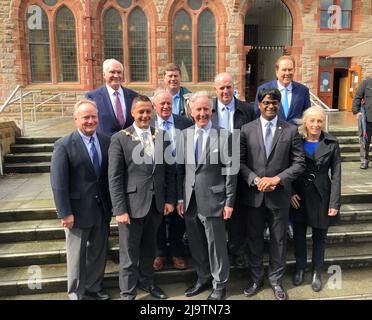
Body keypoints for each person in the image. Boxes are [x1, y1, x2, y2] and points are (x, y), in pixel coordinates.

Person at [108, 95, 176, 300]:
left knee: (149, 250)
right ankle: (128, 292)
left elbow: (169, 171)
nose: (145, 116)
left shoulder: (161, 135)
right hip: (131, 206)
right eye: (141, 112)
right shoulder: (120, 138)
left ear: (153, 112)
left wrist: (170, 200)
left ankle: (147, 283)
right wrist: (119, 210)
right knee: (129, 254)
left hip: (156, 205)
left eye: (148, 111)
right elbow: (115, 177)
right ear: (133, 113)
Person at [240, 88, 305, 300]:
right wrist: (257, 180)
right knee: (254, 240)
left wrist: (276, 179)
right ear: (259, 104)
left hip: (279, 196)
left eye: (274, 103)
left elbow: (299, 164)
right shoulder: (246, 129)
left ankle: (276, 281)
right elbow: (239, 164)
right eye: (266, 102)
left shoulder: (290, 130)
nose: (270, 106)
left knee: (279, 241)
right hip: (254, 196)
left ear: (279, 105)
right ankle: (256, 278)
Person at [176, 91, 237, 300]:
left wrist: (229, 201)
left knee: (216, 246)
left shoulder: (225, 136)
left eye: (206, 109)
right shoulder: (184, 135)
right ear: (191, 112)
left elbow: (231, 171)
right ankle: (202, 278)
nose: (202, 113)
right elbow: (181, 170)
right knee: (196, 244)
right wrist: (180, 199)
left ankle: (220, 285)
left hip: (215, 200)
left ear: (211, 110)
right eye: (198, 109)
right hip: (190, 201)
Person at [50, 99, 112, 300]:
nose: (90, 121)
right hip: (76, 212)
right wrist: (64, 212)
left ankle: (94, 287)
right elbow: (58, 183)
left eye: (94, 117)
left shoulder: (106, 141)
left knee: (98, 252)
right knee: (76, 256)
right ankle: (76, 292)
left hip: (101, 209)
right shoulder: (64, 145)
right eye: (86, 117)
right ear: (76, 119)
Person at [290, 106, 341, 292]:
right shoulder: (296, 140)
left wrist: (334, 203)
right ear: (305, 122)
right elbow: (286, 167)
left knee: (320, 237)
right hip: (299, 195)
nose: (316, 124)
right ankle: (300, 268)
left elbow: (336, 175)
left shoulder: (331, 143)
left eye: (319, 121)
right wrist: (289, 192)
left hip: (322, 195)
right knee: (299, 236)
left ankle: (316, 271)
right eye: (312, 120)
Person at [212, 72, 256, 268]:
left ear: (234, 87)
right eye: (221, 88)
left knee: (238, 213)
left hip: (240, 168)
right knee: (217, 212)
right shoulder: (208, 110)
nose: (225, 91)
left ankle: (238, 250)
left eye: (228, 87)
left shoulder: (246, 110)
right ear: (216, 90)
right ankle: (218, 253)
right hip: (213, 170)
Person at [151, 88, 193, 271]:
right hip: (157, 177)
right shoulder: (147, 122)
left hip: (180, 175)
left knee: (179, 215)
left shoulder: (184, 122)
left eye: (169, 103)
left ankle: (176, 253)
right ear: (154, 106)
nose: (166, 106)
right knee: (158, 215)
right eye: (162, 103)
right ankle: (159, 253)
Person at [85, 59, 138, 136]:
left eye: (119, 72)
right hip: (106, 145)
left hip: (129, 144)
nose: (116, 75)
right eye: (112, 72)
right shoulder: (92, 97)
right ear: (104, 74)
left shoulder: (133, 96)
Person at [254, 55, 311, 126]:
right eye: (284, 70)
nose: (287, 73)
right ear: (277, 71)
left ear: (294, 70)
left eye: (290, 70)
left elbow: (307, 115)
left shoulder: (303, 90)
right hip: (273, 133)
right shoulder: (264, 89)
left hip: (296, 134)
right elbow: (257, 114)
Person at [352, 77, 372, 169]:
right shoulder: (366, 83)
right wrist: (356, 111)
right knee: (365, 141)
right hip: (367, 118)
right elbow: (357, 97)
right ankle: (364, 161)